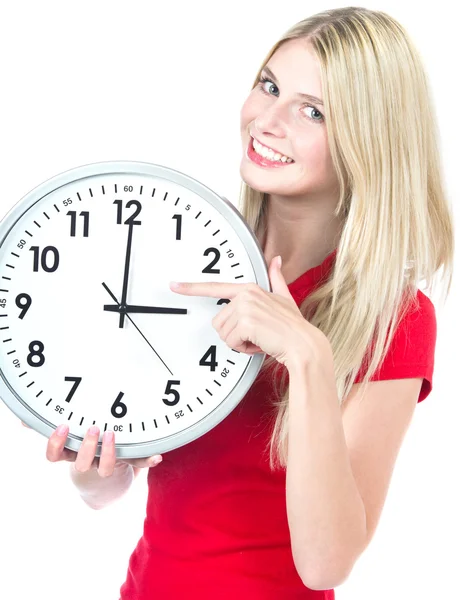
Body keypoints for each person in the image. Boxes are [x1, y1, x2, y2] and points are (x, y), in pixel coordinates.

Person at [27, 6, 454, 599]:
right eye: (270, 85)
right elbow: (120, 490)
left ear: (369, 140)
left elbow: (326, 564)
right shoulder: (181, 254)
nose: (268, 120)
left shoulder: (395, 318)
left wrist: (306, 354)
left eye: (313, 111)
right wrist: (96, 474)